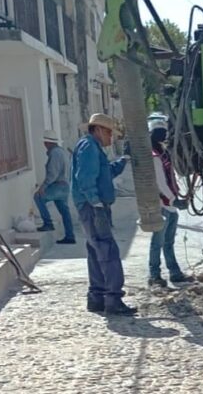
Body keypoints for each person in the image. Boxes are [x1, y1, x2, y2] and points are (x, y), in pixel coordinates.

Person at [72, 113, 135, 316]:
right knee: (108, 251)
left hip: (92, 206)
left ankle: (97, 297)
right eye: (109, 132)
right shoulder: (89, 147)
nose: (111, 137)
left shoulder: (92, 147)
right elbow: (85, 177)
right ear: (98, 129)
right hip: (93, 208)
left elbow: (104, 172)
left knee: (96, 250)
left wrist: (123, 161)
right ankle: (113, 299)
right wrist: (96, 202)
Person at [147, 118, 193, 287]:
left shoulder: (163, 152)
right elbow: (160, 182)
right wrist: (173, 199)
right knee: (157, 242)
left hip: (170, 205)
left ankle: (174, 272)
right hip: (162, 205)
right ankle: (154, 275)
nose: (164, 134)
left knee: (168, 242)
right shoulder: (154, 156)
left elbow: (170, 177)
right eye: (160, 131)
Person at [35, 130, 75, 244]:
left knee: (38, 197)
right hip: (65, 186)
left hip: (58, 185)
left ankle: (48, 224)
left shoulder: (55, 153)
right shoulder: (62, 152)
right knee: (65, 211)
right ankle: (70, 235)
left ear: (47, 143)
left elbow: (53, 173)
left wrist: (43, 186)